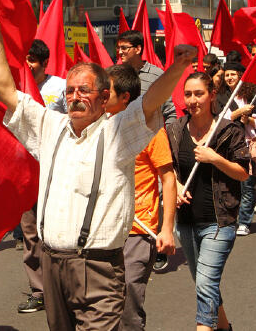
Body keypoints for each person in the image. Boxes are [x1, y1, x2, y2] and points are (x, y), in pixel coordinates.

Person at [0, 5, 196, 330]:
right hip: (51, 263)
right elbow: (6, 92)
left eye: (84, 90)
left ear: (103, 96)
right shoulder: (49, 125)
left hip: (98, 266)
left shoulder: (118, 131)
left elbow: (151, 101)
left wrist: (178, 67)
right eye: (70, 91)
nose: (75, 97)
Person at [166, 72, 249, 331]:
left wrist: (215, 158)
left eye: (199, 94)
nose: (192, 100)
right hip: (187, 222)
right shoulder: (175, 129)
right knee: (204, 282)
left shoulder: (228, 130)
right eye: (188, 94)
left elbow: (243, 172)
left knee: (205, 282)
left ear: (212, 95)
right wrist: (176, 186)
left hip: (219, 221)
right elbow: (165, 171)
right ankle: (224, 327)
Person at [103, 64, 177, 330]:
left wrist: (167, 229)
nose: (99, 96)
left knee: (128, 308)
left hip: (138, 230)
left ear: (124, 97)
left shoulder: (151, 129)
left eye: (106, 91)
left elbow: (168, 179)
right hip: (104, 231)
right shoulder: (97, 129)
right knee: (104, 307)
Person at [116, 29, 177, 271]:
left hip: (151, 144)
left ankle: (156, 241)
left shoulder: (156, 75)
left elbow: (170, 111)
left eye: (124, 48)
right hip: (122, 143)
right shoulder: (116, 76)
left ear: (138, 49)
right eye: (118, 48)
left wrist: (168, 140)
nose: (119, 52)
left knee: (158, 194)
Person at [16, 39, 69, 314]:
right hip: (26, 172)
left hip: (56, 170)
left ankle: (64, 286)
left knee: (57, 231)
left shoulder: (60, 87)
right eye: (25, 59)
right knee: (30, 233)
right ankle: (39, 290)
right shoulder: (16, 87)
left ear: (44, 63)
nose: (28, 65)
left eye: (33, 60)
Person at [215, 63, 256, 236]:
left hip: (247, 145)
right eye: (227, 75)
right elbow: (219, 120)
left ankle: (244, 221)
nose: (229, 78)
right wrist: (238, 113)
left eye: (233, 74)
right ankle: (231, 218)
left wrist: (250, 120)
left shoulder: (252, 94)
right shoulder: (221, 96)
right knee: (229, 185)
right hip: (228, 146)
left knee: (246, 185)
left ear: (240, 76)